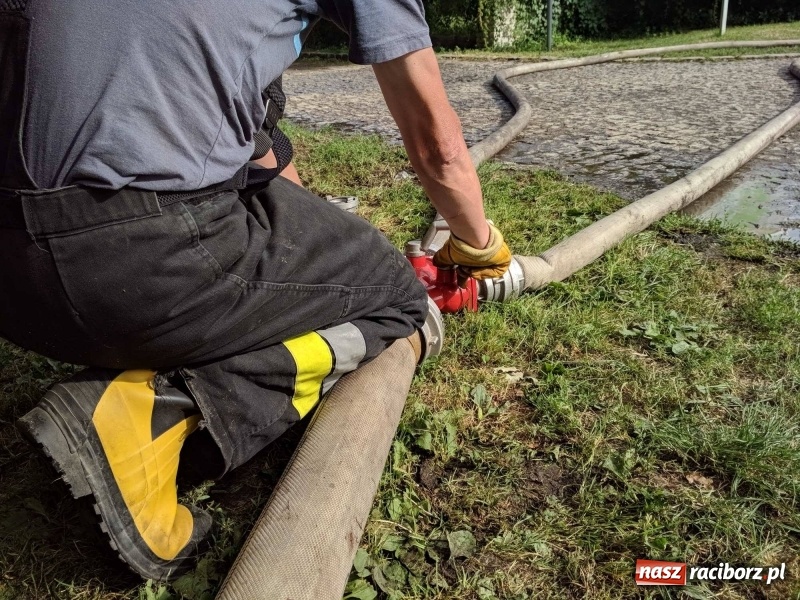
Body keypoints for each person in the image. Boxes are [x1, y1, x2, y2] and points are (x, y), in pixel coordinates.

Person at [0, 0, 512, 581]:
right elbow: (438, 148)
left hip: (17, 296)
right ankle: (160, 412)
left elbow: (259, 145)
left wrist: (320, 249)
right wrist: (479, 243)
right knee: (396, 295)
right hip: (134, 267)